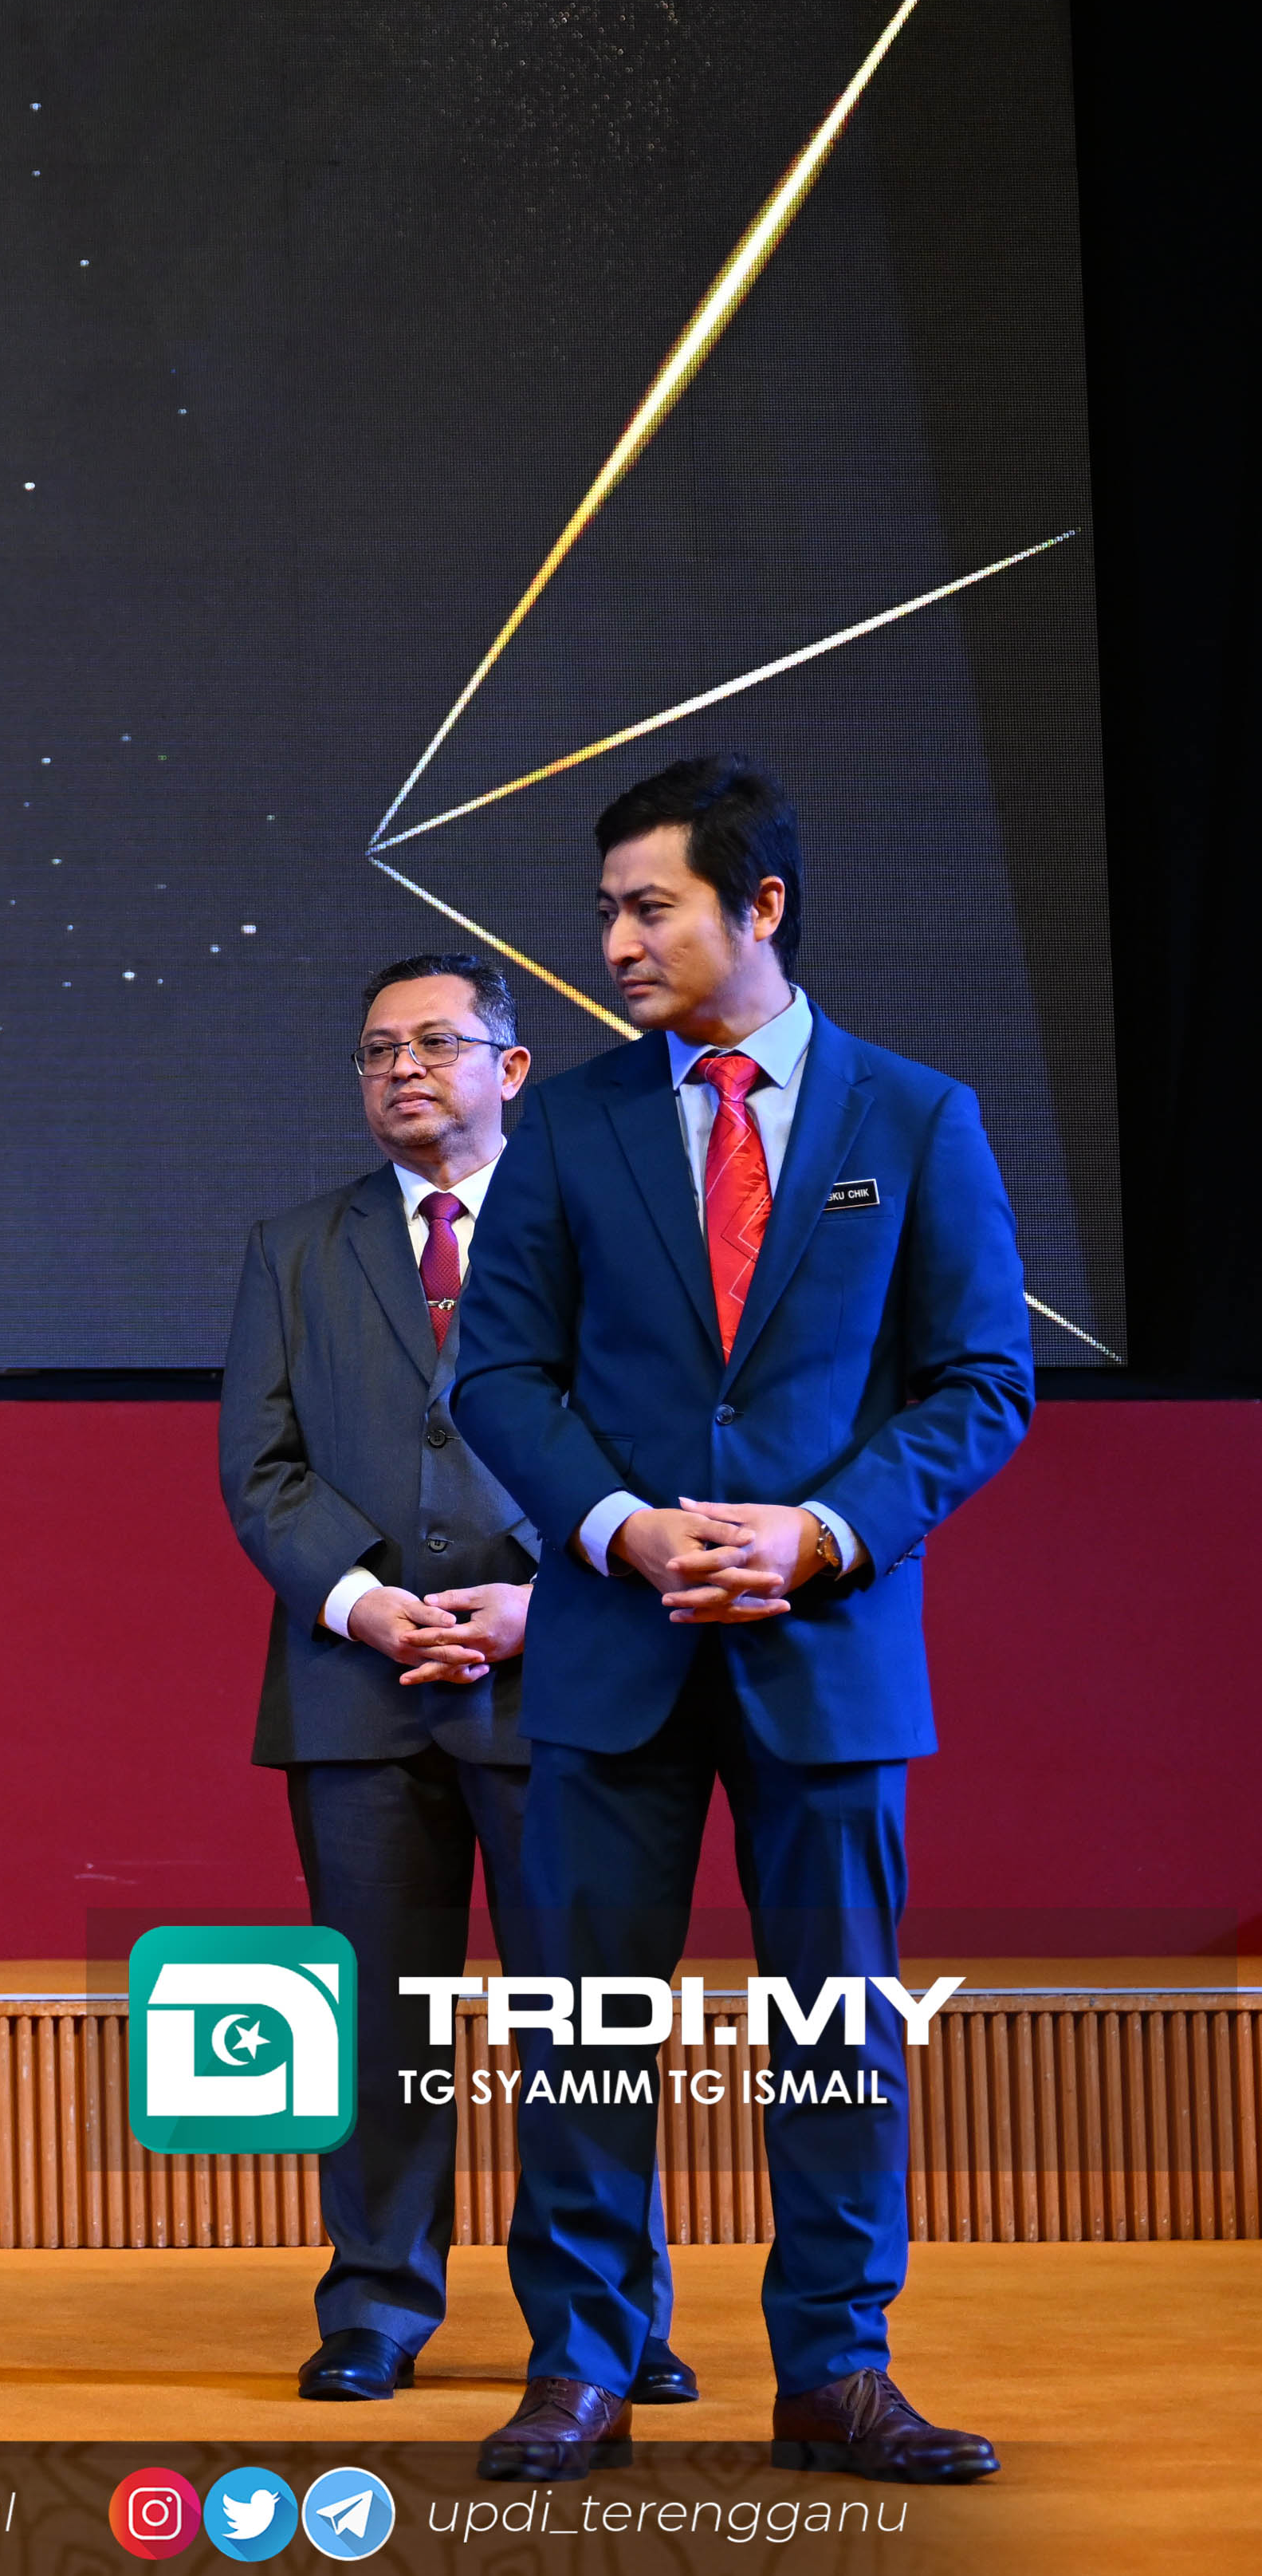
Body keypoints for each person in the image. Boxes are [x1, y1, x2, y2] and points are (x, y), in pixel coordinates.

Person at [452, 756, 1029, 2486]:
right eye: (607, 912)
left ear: (759, 904)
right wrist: (624, 1529)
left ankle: (837, 2370)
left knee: (835, 2024)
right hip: (614, 1645)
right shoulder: (568, 1124)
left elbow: (980, 1382)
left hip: (827, 1649)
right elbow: (500, 1374)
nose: (616, 941)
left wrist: (821, 1531)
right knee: (582, 2023)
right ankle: (582, 2364)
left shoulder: (915, 1116)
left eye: (652, 907)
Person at [222, 954, 688, 2409]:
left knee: (586, 2022)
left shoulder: (607, 1236)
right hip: (357, 1691)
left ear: (512, 1067)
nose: (402, 1071)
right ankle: (374, 2303)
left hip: (565, 1682)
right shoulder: (294, 1247)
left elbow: (657, 1449)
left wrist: (548, 1603)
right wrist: (364, 1604)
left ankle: (608, 2316)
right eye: (377, 1052)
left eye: (433, 1043)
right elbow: (260, 1468)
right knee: (380, 2021)